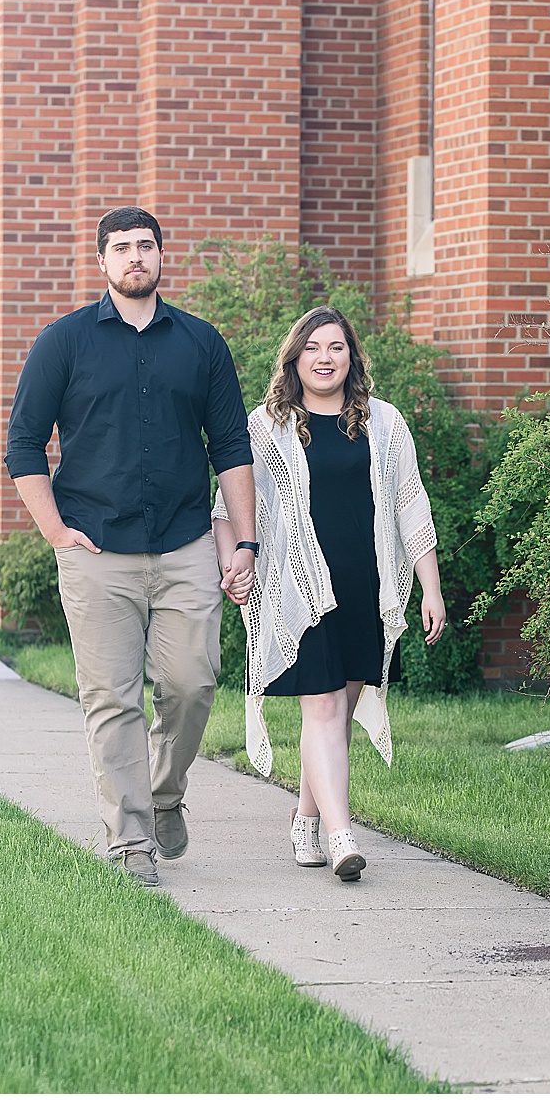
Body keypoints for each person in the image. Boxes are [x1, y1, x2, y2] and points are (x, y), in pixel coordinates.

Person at [7, 206, 257, 886]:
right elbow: (24, 445)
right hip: (95, 551)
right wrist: (56, 531)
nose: (135, 257)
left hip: (184, 546)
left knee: (191, 682)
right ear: (102, 262)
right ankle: (129, 842)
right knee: (111, 699)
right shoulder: (64, 342)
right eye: (121, 248)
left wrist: (246, 544)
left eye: (145, 245)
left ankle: (165, 793)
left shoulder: (201, 344)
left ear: (161, 257)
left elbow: (232, 446)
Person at [215, 305, 445, 883]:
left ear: (352, 358)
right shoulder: (265, 427)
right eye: (313, 348)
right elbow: (228, 507)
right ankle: (344, 838)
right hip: (298, 586)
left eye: (336, 348)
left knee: (339, 709)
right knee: (321, 705)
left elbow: (409, 501)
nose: (325, 358)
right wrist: (234, 562)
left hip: (365, 582)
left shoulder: (384, 423)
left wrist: (430, 587)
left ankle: (304, 818)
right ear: (295, 358)